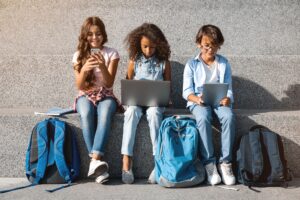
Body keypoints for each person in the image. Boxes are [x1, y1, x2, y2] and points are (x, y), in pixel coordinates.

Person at [182, 24, 236, 186]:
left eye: (215, 46)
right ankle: (209, 163)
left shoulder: (223, 63)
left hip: (219, 100)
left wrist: (227, 99)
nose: (210, 49)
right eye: (207, 45)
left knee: (229, 117)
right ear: (199, 44)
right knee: (203, 118)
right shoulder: (191, 64)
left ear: (219, 45)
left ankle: (226, 163)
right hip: (199, 101)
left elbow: (229, 89)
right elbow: (186, 92)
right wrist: (198, 100)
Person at [72, 16, 122, 184]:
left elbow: (109, 83)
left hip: (106, 94)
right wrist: (85, 69)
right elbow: (79, 85)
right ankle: (97, 164)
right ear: (85, 36)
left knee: (105, 111)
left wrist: (101, 66)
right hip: (85, 95)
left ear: (104, 34)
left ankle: (94, 160)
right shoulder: (78, 55)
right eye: (91, 34)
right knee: (85, 113)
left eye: (98, 34)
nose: (95, 38)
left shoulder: (112, 53)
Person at [121, 23, 171, 184]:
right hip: (136, 101)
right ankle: (126, 160)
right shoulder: (134, 60)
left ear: (159, 45)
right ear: (138, 44)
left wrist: (166, 97)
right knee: (131, 112)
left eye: (152, 47)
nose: (149, 50)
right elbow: (129, 81)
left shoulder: (164, 62)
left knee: (154, 113)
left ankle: (158, 162)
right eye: (145, 47)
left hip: (155, 103)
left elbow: (168, 85)